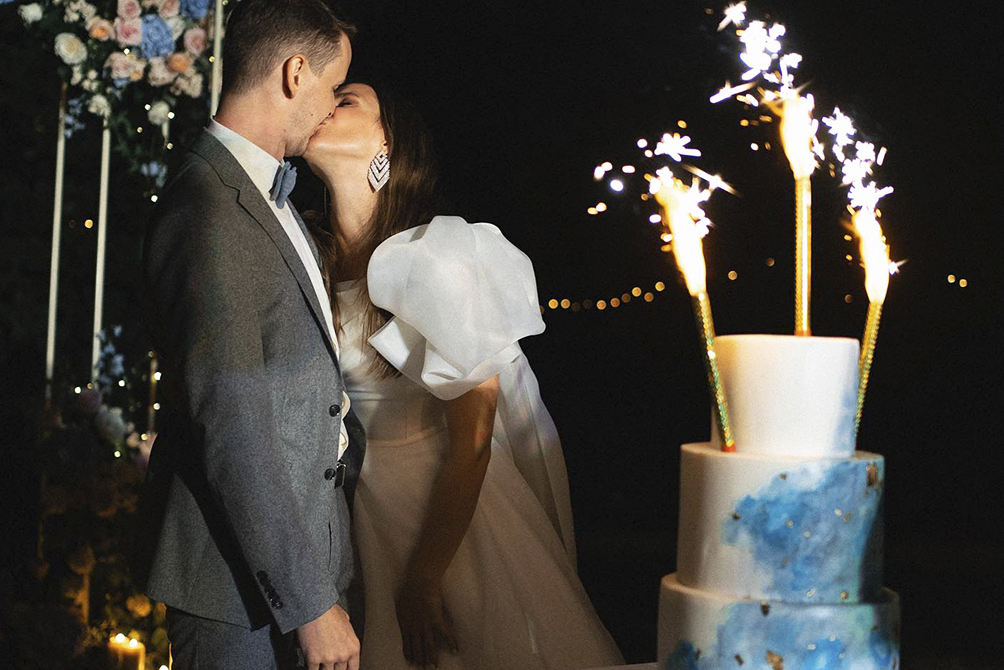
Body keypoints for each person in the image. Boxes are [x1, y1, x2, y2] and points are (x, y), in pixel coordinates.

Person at [302, 81, 624, 670]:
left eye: (346, 101)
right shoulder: (304, 252)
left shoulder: (439, 255)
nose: (323, 103)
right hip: (364, 513)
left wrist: (426, 577)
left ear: (388, 146)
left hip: (452, 515)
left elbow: (474, 439)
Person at [136, 1, 365, 668]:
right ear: (295, 73)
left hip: (299, 569)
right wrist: (311, 605)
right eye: (332, 86)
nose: (331, 107)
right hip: (234, 592)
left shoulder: (265, 194)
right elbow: (233, 425)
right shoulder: (208, 208)